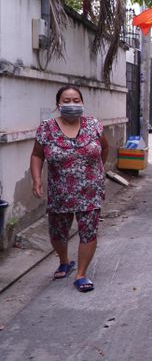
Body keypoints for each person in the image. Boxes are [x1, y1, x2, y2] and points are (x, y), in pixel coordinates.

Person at [30, 85, 108, 293]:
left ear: (82, 103)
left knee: (89, 231)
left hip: (90, 190)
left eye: (76, 100)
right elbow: (37, 154)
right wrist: (36, 179)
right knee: (57, 232)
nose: (71, 104)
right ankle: (64, 261)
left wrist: (98, 171)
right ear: (58, 104)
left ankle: (81, 274)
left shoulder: (93, 125)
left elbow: (104, 148)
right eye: (66, 101)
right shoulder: (46, 128)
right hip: (60, 191)